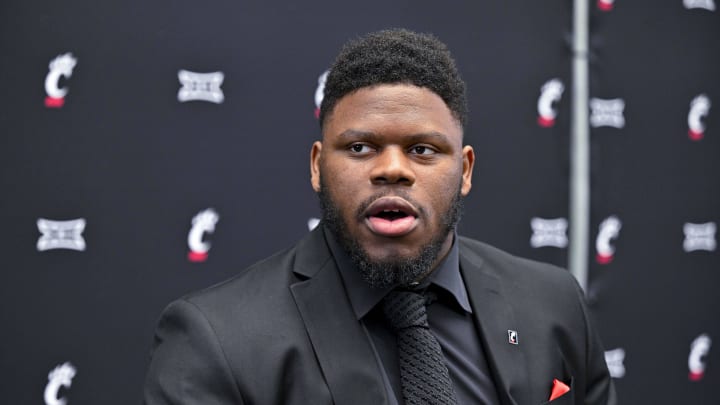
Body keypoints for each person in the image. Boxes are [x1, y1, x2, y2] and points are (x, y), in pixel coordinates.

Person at [143, 29, 616, 405]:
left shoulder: (555, 305)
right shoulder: (215, 340)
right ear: (316, 166)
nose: (392, 169)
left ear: (465, 170)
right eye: (361, 147)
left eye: (423, 149)